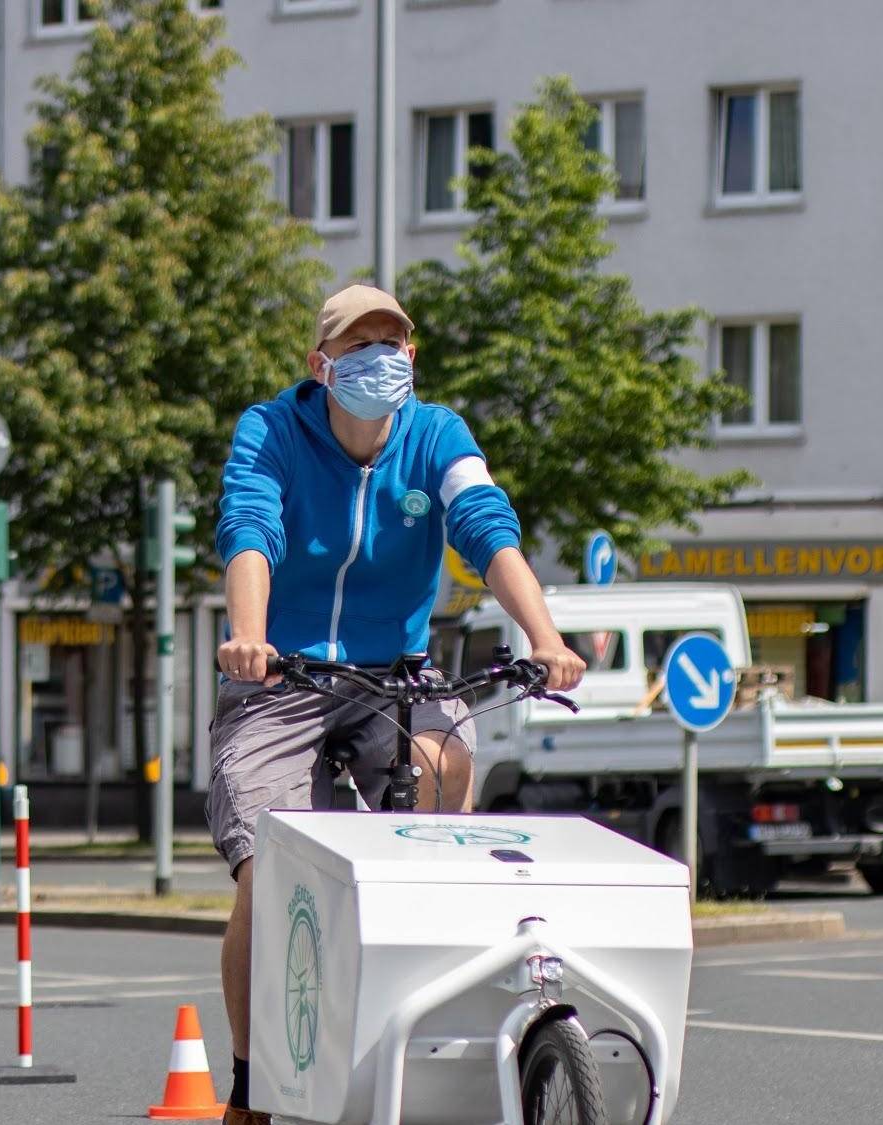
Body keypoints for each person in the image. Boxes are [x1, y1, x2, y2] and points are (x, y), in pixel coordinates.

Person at [207, 284, 587, 1123]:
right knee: (268, 873)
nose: (383, 357)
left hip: (395, 672)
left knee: (445, 770)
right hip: (284, 673)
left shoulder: (438, 434)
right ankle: (249, 1081)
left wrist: (546, 639)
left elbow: (487, 526)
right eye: (361, 344)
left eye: (395, 342)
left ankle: (446, 1034)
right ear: (322, 364)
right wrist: (248, 634)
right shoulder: (271, 430)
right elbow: (249, 529)